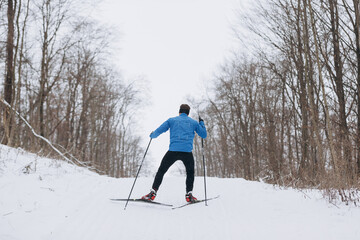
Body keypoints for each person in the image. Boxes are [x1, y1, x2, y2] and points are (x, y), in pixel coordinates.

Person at [141, 104, 207, 203]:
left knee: (161, 170)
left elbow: (159, 130)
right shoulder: (193, 123)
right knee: (190, 173)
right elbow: (204, 135)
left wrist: (152, 135)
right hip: (187, 152)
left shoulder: (172, 120)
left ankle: (153, 193)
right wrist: (201, 123)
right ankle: (189, 194)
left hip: (173, 151)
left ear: (179, 112)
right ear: (188, 113)